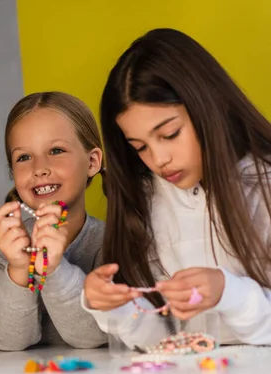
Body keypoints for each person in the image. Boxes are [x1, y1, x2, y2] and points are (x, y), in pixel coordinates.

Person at [83, 28, 271, 346]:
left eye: (170, 134)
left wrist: (229, 292)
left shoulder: (262, 184)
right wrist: (117, 306)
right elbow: (163, 341)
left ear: (207, 106)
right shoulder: (149, 198)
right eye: (140, 147)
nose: (159, 159)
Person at [0, 91, 107, 350]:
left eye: (56, 150)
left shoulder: (116, 243)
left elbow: (95, 337)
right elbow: (8, 341)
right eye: (23, 157)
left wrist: (53, 269)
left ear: (92, 162)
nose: (39, 168)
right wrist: (17, 269)